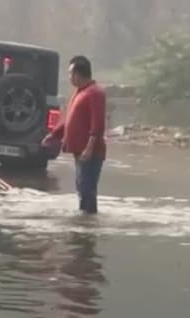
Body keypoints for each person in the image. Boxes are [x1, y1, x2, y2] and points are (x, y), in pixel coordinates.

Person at [43, 55, 107, 214]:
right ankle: (85, 220)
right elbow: (69, 119)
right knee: (82, 187)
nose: (69, 77)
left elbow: (97, 124)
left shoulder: (95, 93)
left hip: (90, 152)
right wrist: (54, 135)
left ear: (79, 74)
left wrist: (89, 148)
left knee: (87, 189)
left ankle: (88, 222)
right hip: (80, 151)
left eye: (71, 73)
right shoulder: (80, 93)